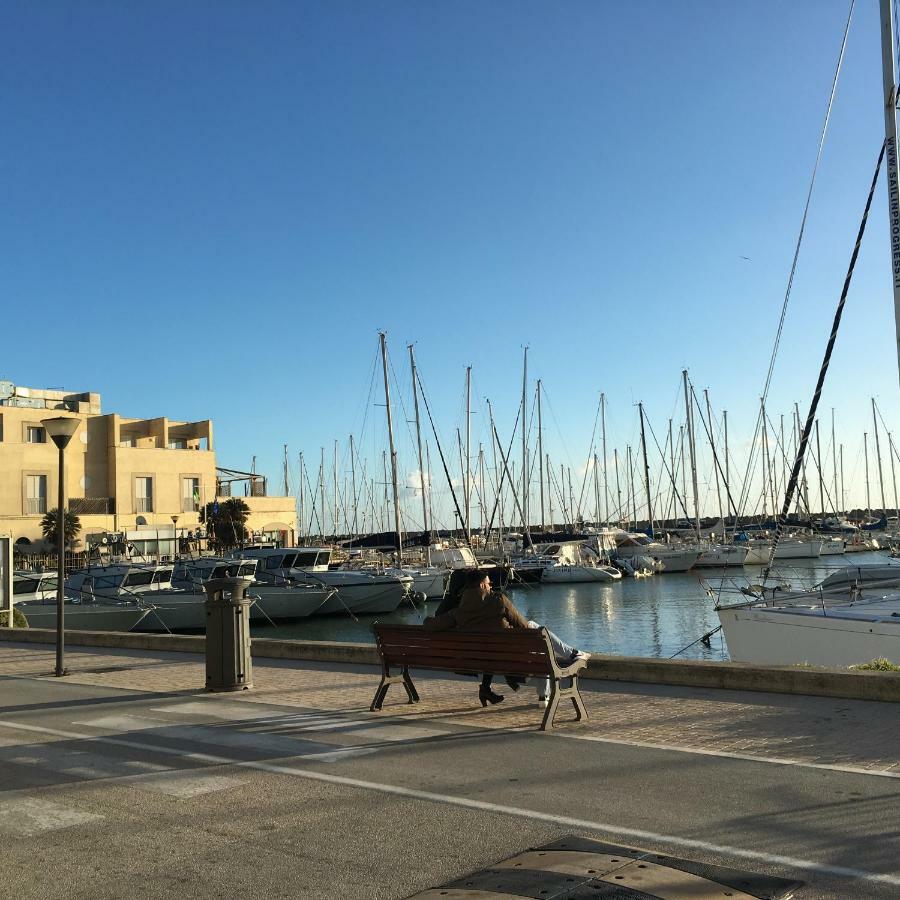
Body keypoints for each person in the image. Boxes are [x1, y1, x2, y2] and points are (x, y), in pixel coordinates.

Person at [424, 568, 589, 706]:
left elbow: (432, 625)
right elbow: (523, 627)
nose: (491, 586)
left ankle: (567, 660)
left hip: (483, 658)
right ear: (482, 585)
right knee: (537, 630)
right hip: (511, 656)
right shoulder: (498, 600)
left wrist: (426, 619)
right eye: (489, 583)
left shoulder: (458, 611)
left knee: (536, 637)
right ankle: (572, 655)